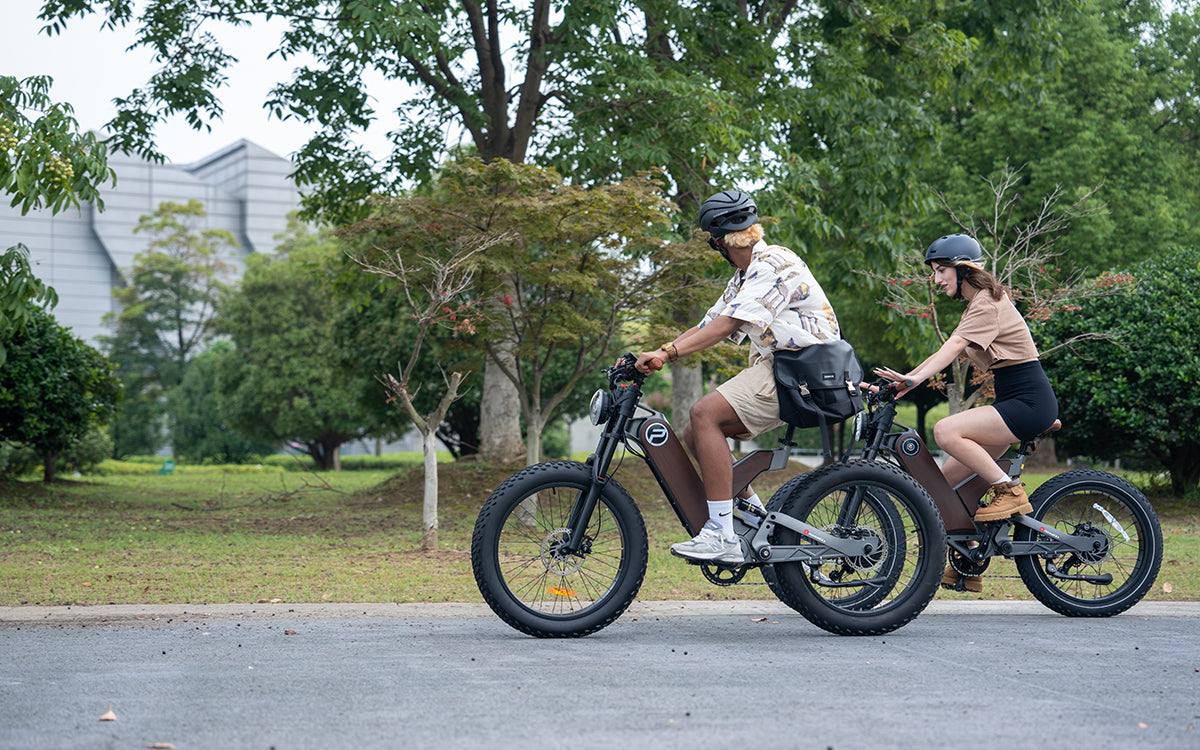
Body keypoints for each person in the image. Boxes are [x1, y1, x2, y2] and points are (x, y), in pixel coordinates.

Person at [635, 190, 841, 565]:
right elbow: (710, 322)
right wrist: (660, 352)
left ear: (719, 242)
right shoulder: (746, 274)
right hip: (786, 368)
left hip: (804, 369)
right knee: (694, 433)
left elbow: (728, 325)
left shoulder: (773, 262)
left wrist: (667, 354)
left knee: (704, 415)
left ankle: (722, 535)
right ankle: (756, 520)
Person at [873, 233, 1059, 592]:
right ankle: (969, 560)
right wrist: (906, 383)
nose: (936, 278)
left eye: (941, 270)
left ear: (964, 269)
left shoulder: (987, 302)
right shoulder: (978, 305)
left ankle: (1010, 490)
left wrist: (912, 378)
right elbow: (950, 350)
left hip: (1028, 403)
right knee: (940, 490)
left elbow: (955, 345)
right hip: (1013, 402)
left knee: (945, 430)